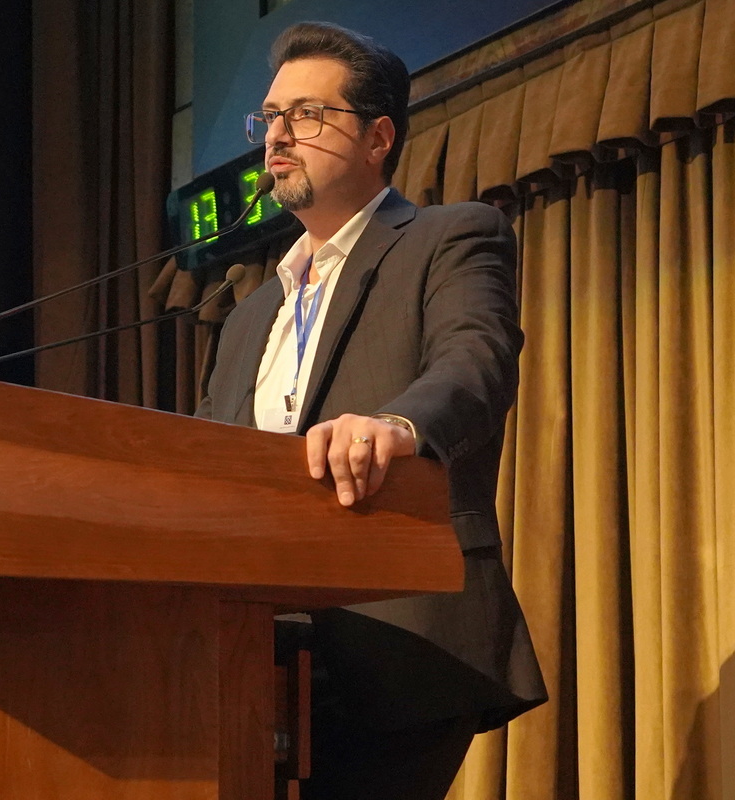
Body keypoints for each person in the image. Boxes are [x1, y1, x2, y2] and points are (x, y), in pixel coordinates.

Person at [195, 22, 547, 800]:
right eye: (270, 117)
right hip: (250, 648)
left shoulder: (450, 237)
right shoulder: (248, 317)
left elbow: (476, 362)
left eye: (306, 114)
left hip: (398, 635)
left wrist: (396, 426)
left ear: (377, 138)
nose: (277, 136)